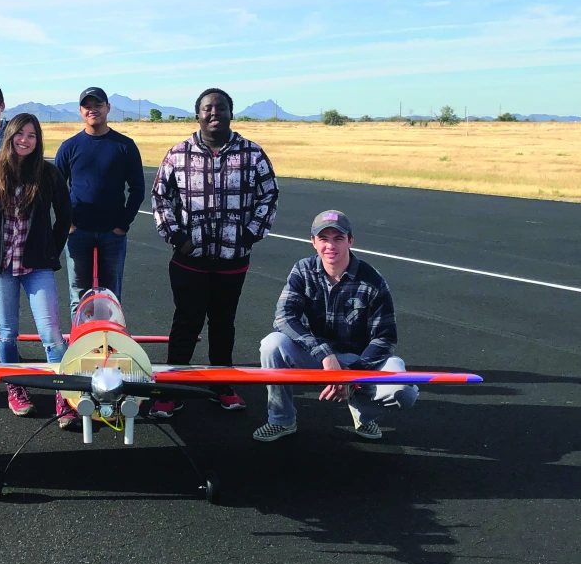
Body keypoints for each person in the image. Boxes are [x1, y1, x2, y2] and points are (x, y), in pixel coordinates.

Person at [148, 88, 279, 418]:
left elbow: (269, 196)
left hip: (232, 260)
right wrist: (178, 237)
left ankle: (221, 385)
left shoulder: (252, 154)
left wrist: (250, 234)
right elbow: (161, 198)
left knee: (224, 323)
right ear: (198, 115)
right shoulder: (178, 154)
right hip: (189, 260)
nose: (214, 113)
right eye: (207, 108)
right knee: (186, 323)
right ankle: (170, 390)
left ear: (231, 113)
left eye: (221, 108)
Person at [252, 210, 419, 442]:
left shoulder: (372, 280)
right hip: (317, 358)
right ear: (313, 242)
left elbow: (385, 337)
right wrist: (325, 354)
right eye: (323, 239)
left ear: (350, 241)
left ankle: (363, 412)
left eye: (338, 238)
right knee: (272, 344)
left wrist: (351, 375)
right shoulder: (303, 270)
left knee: (404, 391)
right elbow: (284, 317)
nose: (330, 246)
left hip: (357, 361)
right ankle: (281, 420)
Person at [0, 114, 77, 427]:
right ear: (10, 136)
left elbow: (65, 214)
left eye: (32, 135)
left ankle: (64, 393)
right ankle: (15, 387)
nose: (25, 140)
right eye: (20, 134)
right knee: (7, 332)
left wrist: (50, 250)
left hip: (36, 267)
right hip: (1, 267)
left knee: (52, 334)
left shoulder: (47, 173)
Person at [54, 87, 144, 317]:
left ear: (108, 108)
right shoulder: (69, 146)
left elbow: (137, 189)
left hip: (112, 234)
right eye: (87, 106)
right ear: (80, 111)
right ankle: (79, 343)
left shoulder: (124, 145)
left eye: (98, 105)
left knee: (111, 296)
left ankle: (111, 345)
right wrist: (68, 224)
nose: (92, 110)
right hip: (78, 232)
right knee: (79, 295)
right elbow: (54, 189)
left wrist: (123, 225)